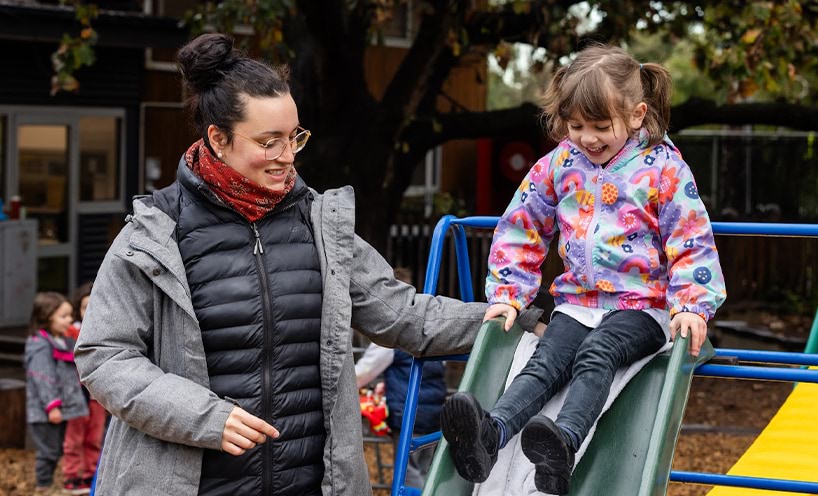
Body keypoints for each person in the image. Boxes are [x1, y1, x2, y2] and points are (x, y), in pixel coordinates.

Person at [73, 33, 544, 496]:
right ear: (217, 138)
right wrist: (205, 418)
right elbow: (104, 356)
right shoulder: (154, 233)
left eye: (293, 137)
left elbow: (404, 313)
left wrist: (522, 319)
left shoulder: (319, 224)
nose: (287, 157)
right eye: (268, 141)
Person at [440, 44, 726, 495]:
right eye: (575, 126)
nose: (587, 137)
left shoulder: (663, 169)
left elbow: (689, 237)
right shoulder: (561, 163)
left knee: (598, 354)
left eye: (600, 126)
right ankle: (490, 434)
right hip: (578, 302)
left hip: (642, 308)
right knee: (544, 362)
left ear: (635, 115)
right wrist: (509, 294)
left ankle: (564, 443)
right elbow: (523, 224)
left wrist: (691, 304)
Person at [354, 268, 446, 489]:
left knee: (408, 472)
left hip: (408, 411)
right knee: (427, 468)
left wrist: (346, 385)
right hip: (434, 411)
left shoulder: (392, 333)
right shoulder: (430, 325)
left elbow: (365, 371)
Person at [24, 292, 89, 494]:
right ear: (46, 316)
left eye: (70, 315)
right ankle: (43, 486)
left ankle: (48, 483)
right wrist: (53, 406)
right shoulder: (40, 345)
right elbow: (43, 378)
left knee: (57, 449)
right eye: (63, 316)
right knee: (49, 451)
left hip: (61, 410)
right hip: (46, 412)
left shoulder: (62, 341)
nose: (70, 320)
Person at [62, 282, 106, 494]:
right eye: (83, 307)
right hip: (74, 395)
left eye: (92, 305)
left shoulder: (108, 329)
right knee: (74, 437)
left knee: (94, 436)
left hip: (95, 396)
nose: (88, 311)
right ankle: (71, 475)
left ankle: (89, 473)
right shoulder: (70, 334)